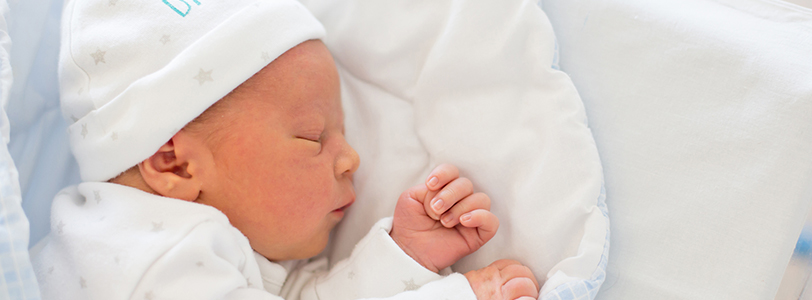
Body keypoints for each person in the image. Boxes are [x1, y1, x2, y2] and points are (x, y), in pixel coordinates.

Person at [30, 0, 539, 299]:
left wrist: (407, 256)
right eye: (313, 137)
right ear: (175, 163)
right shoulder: (151, 255)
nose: (351, 159)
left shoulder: (218, 246)